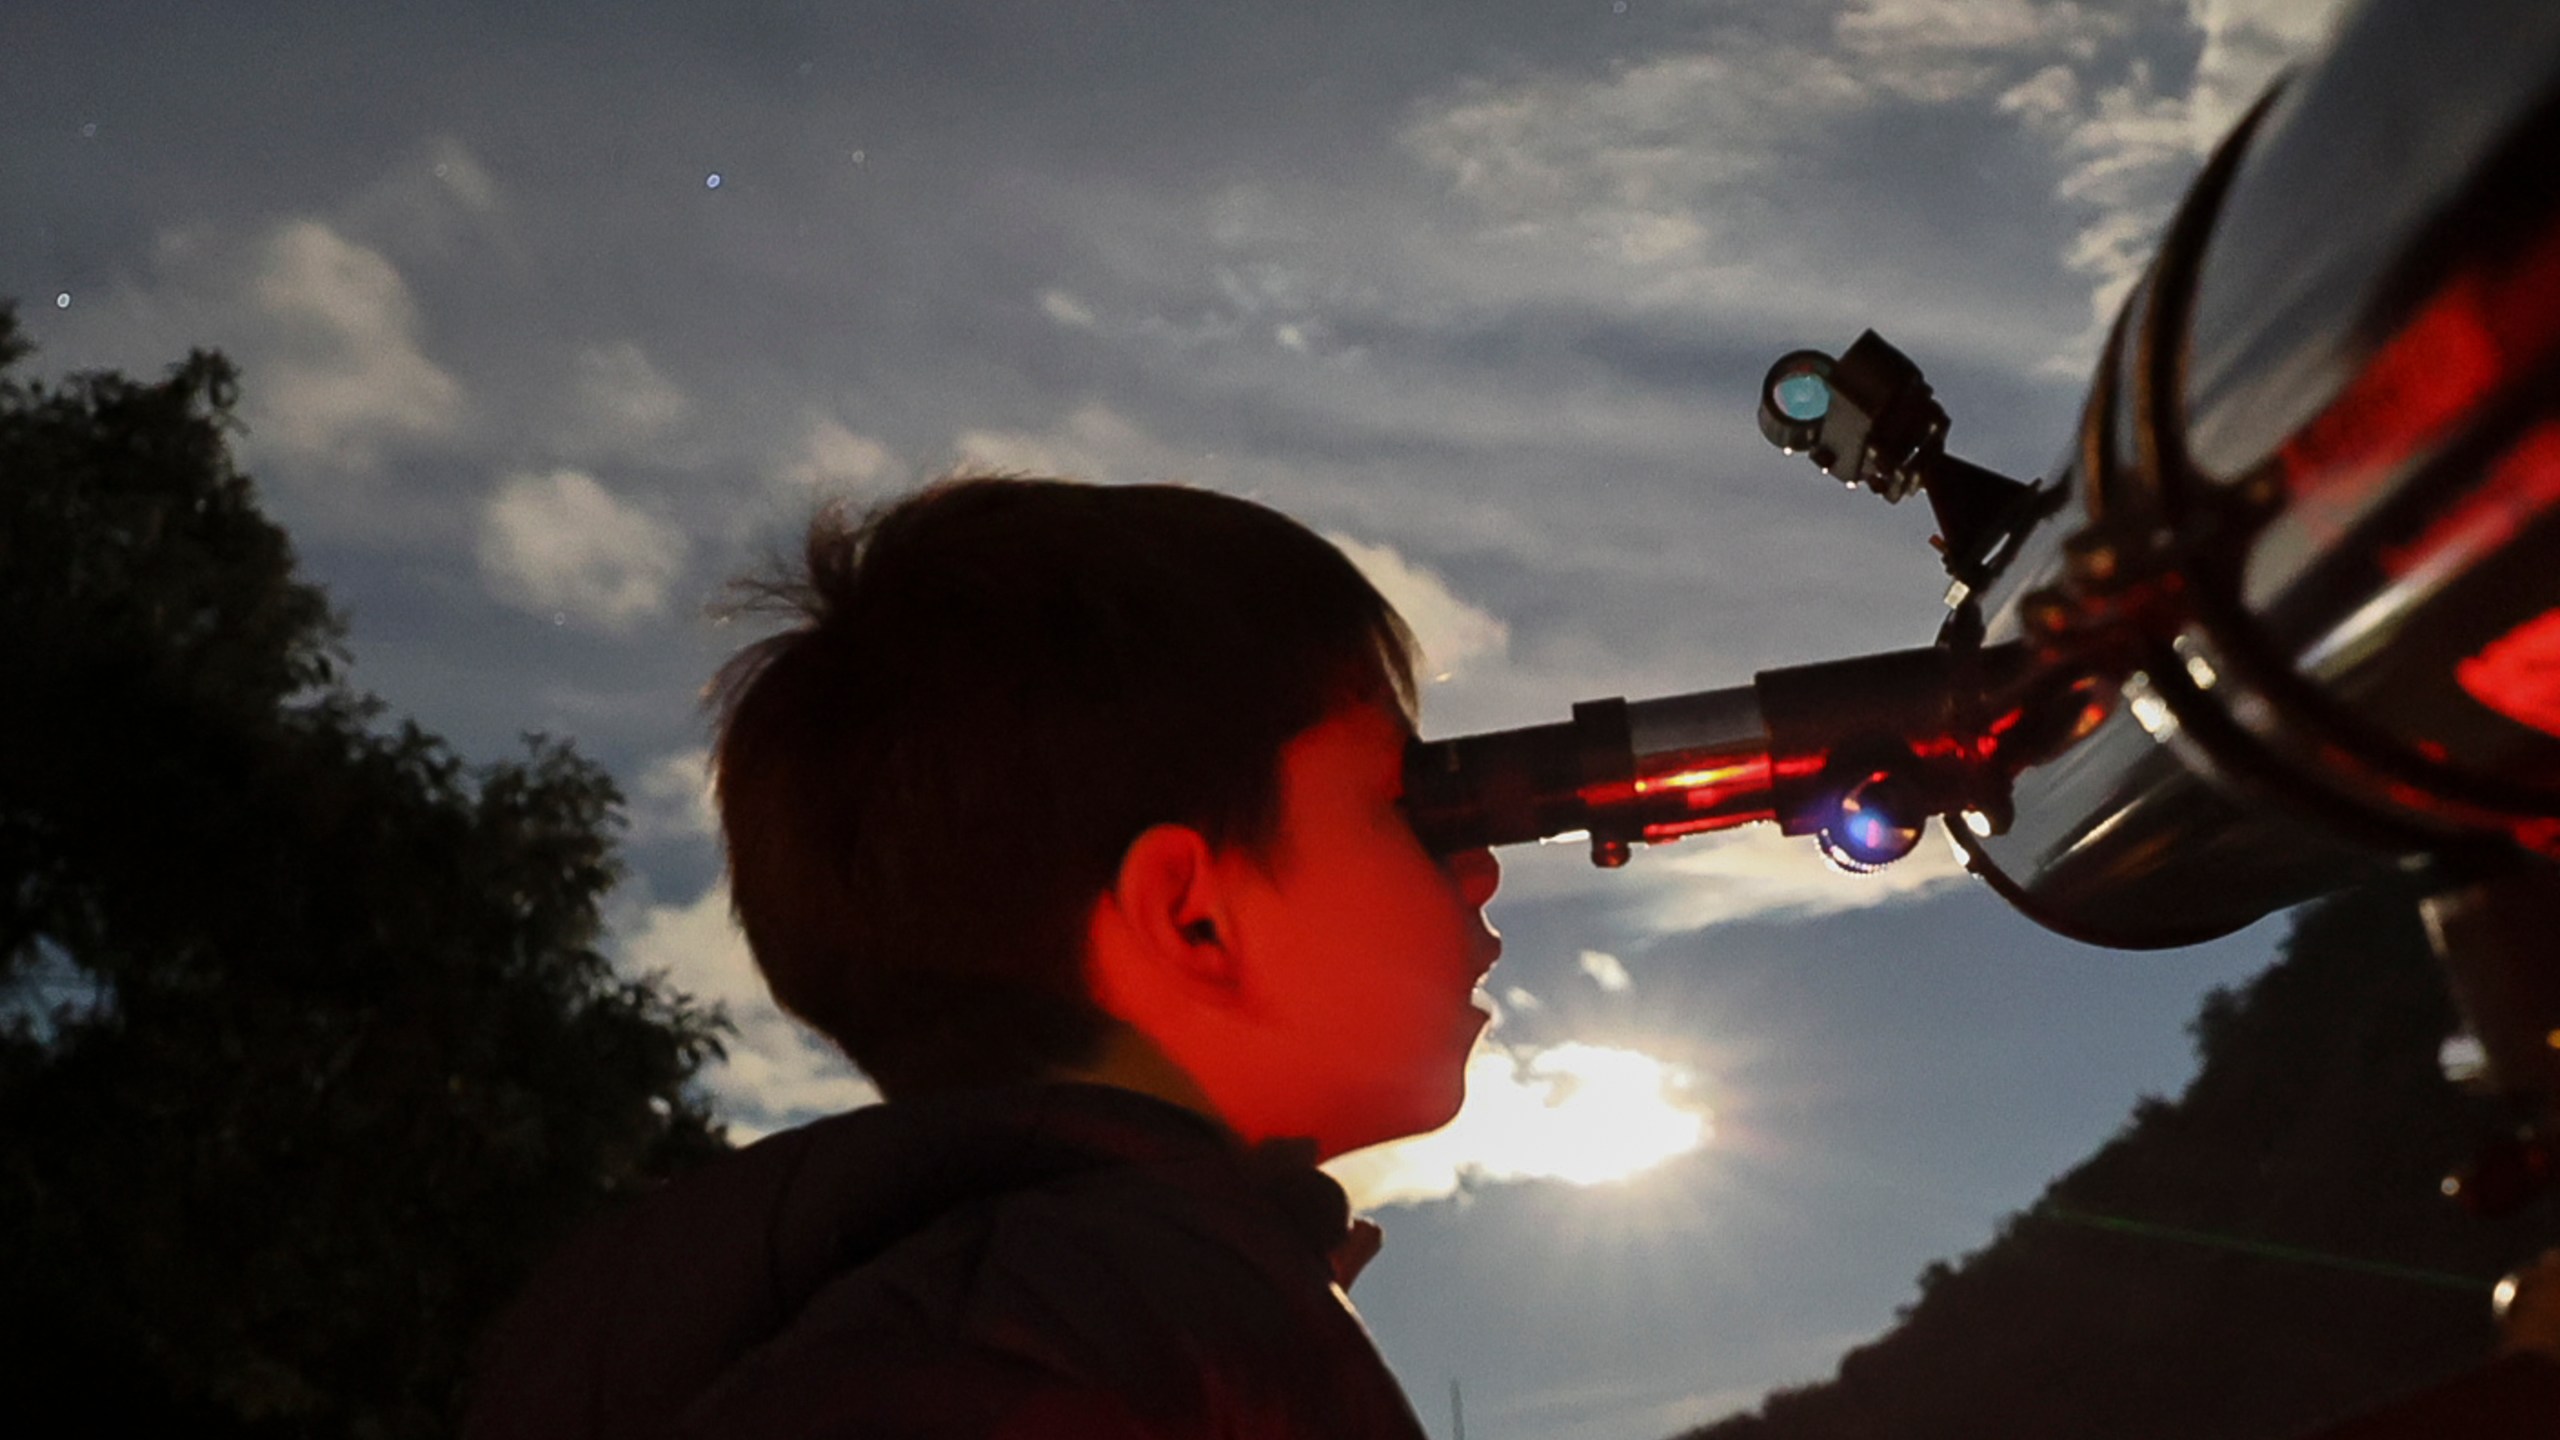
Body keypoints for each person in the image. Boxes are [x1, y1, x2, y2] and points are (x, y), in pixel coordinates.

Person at [464, 474, 1503, 1438]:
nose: (1480, 871)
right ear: (1191, 917)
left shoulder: (917, 1311)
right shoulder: (1082, 1334)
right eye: (1405, 805)